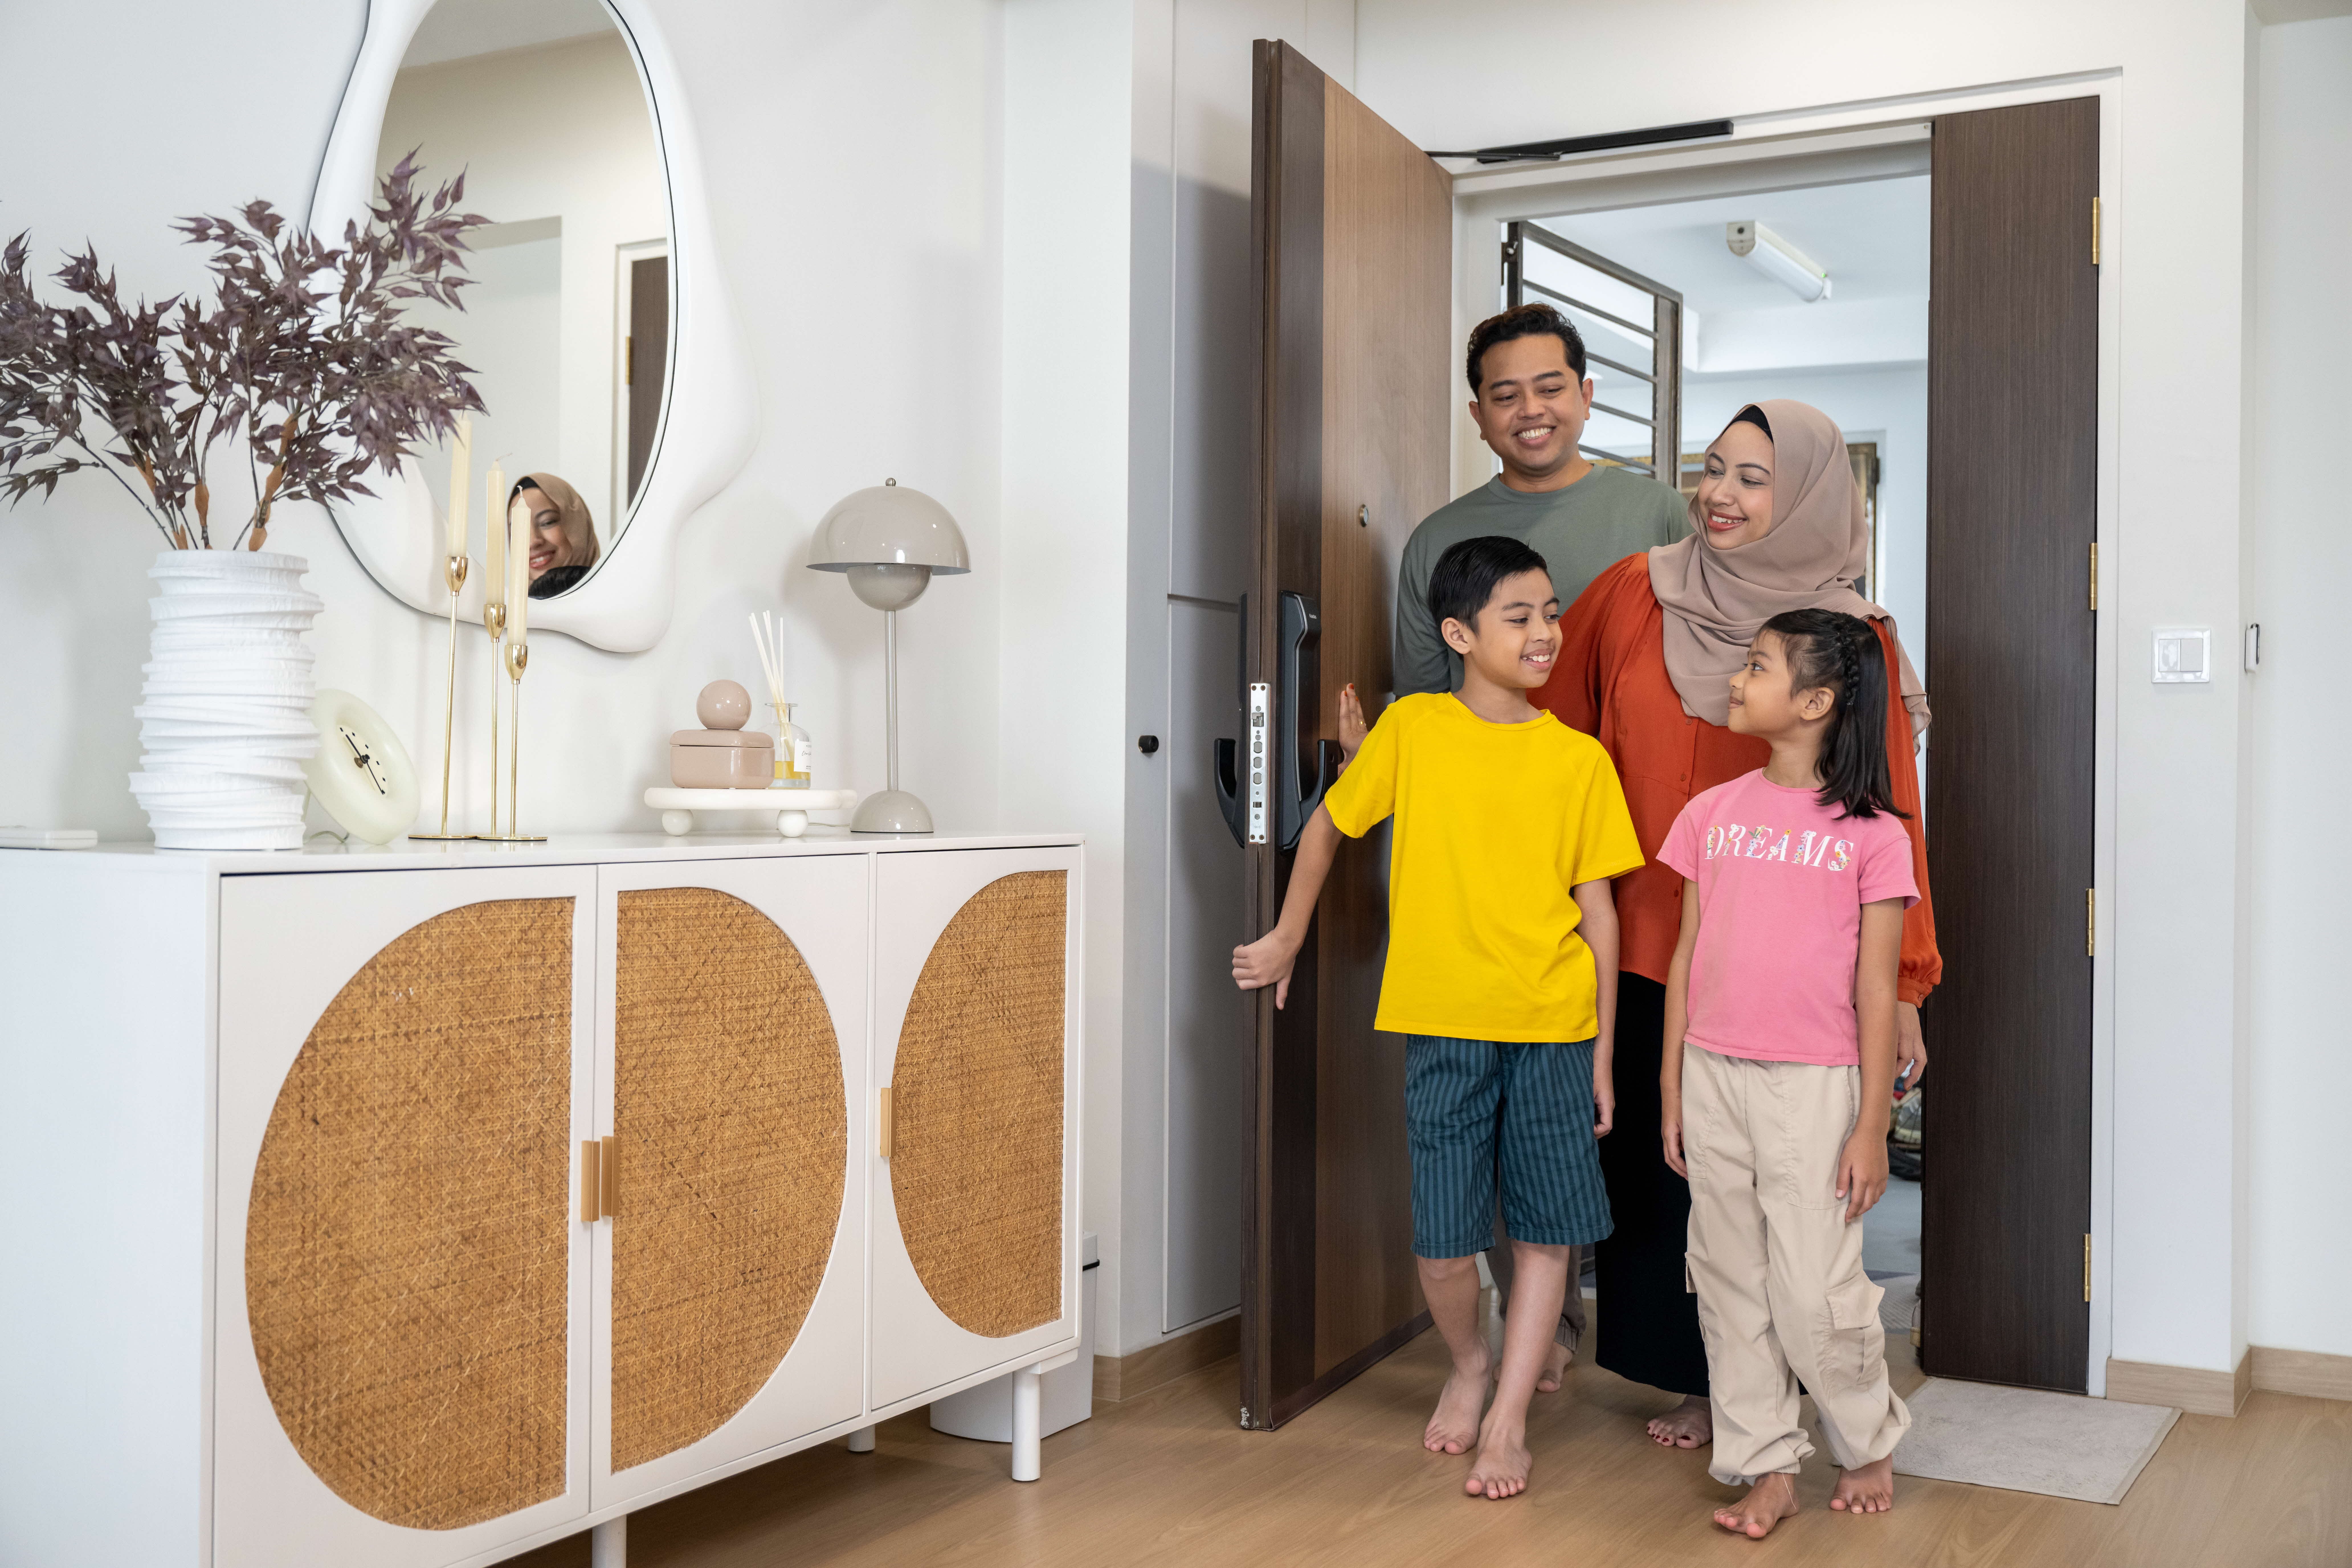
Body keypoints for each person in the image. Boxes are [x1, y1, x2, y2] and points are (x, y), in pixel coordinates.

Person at [1538, 401, 1939, 1451]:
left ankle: (1808, 1388)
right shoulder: (1633, 591)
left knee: (1791, 1196)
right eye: (1711, 469)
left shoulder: (1855, 643)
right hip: (1637, 938)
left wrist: (1902, 994)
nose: (1718, 493)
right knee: (1668, 1178)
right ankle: (1699, 1380)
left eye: (1752, 478)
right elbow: (1548, 731)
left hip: (1794, 972)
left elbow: (1891, 814)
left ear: (1804, 496)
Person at [1234, 536, 1641, 1502]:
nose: (1545, 631)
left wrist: (1605, 1055)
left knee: (1548, 1231)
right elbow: (1331, 823)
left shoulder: (1578, 760)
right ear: (1459, 633)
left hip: (1554, 1022)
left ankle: (1507, 1415)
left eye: (1550, 612)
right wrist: (1288, 936)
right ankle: (1468, 1361)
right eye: (1519, 616)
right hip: (1443, 1024)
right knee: (1444, 1240)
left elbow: (1600, 914)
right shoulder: (1412, 731)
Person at [1356, 301, 1686, 1384]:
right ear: (1478, 415)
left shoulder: (1657, 514)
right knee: (1487, 1124)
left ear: (1586, 395)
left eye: (1550, 386)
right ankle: (1529, 1340)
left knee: (1611, 1106)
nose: (1530, 410)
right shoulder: (1439, 541)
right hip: (1485, 879)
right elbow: (1423, 712)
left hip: (1627, 841)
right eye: (1505, 394)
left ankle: (1641, 1342)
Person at [1658, 607, 1915, 1537]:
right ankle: (1762, 1462)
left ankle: (1865, 1433)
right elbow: (1687, 954)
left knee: (1811, 1286)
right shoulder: (1708, 815)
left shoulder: (1873, 834)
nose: (1737, 677)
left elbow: (1876, 989)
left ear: (1812, 701)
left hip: (1815, 1083)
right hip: (1710, 1071)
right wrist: (1670, 1085)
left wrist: (1870, 1126)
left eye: (1757, 665)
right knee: (1725, 1274)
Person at [513, 473, 601, 597]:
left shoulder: (621, 606)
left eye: (547, 522)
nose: (532, 542)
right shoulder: (508, 614)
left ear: (578, 526)